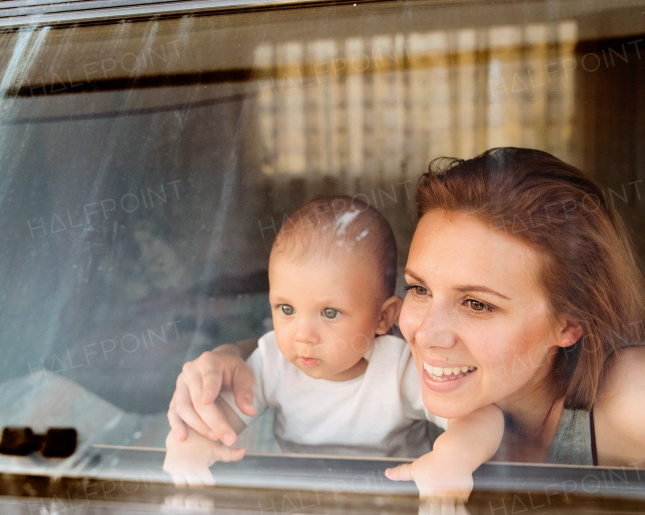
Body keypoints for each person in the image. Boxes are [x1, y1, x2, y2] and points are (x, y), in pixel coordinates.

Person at [169, 149, 645, 495]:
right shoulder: (402, 359)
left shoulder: (635, 397)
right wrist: (231, 355)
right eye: (418, 290)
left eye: (478, 304)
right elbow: (316, 348)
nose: (426, 333)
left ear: (570, 323)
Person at [163, 195, 502, 488]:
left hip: (395, 502)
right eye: (286, 309)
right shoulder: (272, 361)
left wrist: (453, 457)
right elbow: (214, 417)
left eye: (329, 313)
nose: (303, 335)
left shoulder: (398, 368)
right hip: (304, 499)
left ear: (383, 318)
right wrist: (188, 443)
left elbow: (482, 417)